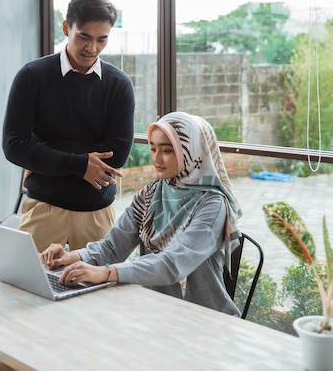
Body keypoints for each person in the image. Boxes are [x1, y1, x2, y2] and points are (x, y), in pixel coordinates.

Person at [41, 111, 243, 316]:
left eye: (167, 150)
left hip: (207, 322)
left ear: (190, 152)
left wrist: (106, 273)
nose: (156, 158)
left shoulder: (213, 204)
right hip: (157, 313)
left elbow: (172, 264)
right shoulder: (152, 193)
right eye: (153, 148)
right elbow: (112, 247)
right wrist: (71, 257)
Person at [2, 0, 135, 252]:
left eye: (102, 39)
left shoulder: (119, 84)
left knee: (100, 291)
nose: (92, 48)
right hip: (43, 209)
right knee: (30, 288)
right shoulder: (32, 76)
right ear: (66, 27)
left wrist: (45, 153)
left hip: (97, 213)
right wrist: (81, 164)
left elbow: (116, 155)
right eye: (84, 36)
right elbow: (14, 146)